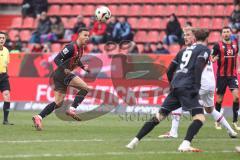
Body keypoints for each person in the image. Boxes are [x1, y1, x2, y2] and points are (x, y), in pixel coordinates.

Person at [126, 28, 211, 152]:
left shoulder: (183, 51)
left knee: (159, 116)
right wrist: (197, 86)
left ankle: (134, 141)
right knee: (199, 118)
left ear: (195, 38)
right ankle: (185, 144)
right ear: (207, 39)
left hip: (176, 86)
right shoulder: (204, 50)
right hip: (188, 87)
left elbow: (169, 70)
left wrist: (172, 84)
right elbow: (198, 65)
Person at [158, 28, 237, 139]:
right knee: (210, 109)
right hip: (211, 83)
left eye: (189, 35)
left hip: (201, 83)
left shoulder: (193, 49)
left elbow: (195, 67)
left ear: (194, 38)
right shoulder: (205, 49)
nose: (187, 37)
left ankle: (174, 132)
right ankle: (231, 131)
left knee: (177, 99)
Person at [32, 28, 91, 131]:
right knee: (85, 88)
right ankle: (72, 109)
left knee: (58, 103)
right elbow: (57, 59)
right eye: (85, 35)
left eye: (88, 35)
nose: (87, 38)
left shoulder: (81, 48)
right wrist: (65, 69)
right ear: (79, 35)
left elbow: (76, 59)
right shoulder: (71, 47)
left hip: (59, 76)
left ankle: (39, 117)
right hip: (63, 74)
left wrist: (83, 67)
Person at [212, 27, 240, 131]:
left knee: (236, 97)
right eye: (224, 32)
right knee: (219, 99)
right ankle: (217, 121)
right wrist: (214, 58)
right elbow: (211, 58)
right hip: (221, 76)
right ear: (221, 34)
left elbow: (236, 56)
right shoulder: (217, 45)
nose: (226, 34)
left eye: (228, 32)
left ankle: (235, 121)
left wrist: (238, 67)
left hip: (232, 76)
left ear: (230, 33)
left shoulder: (235, 44)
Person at [0, 32, 13, 125]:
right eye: (0, 38)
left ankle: (5, 120)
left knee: (7, 95)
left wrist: (6, 74)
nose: (1, 39)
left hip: (3, 76)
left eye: (3, 38)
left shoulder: (6, 50)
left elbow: (6, 64)